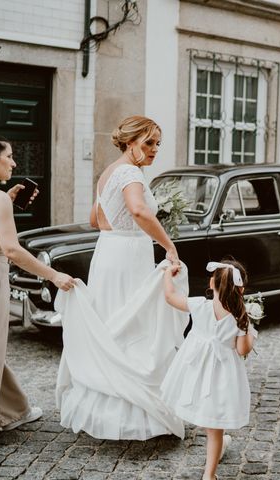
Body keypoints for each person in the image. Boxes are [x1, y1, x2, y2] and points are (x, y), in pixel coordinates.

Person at [55, 116, 187, 440]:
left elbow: (93, 219)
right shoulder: (130, 173)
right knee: (134, 325)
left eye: (158, 143)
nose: (155, 150)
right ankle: (135, 416)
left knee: (113, 321)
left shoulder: (109, 173)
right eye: (148, 143)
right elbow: (140, 211)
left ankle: (101, 410)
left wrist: (122, 227)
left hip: (108, 253)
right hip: (128, 256)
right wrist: (168, 245)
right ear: (131, 143)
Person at [0, 134, 75, 450]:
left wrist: (6, 199)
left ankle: (15, 410)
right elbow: (12, 250)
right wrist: (54, 274)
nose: (14, 163)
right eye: (9, 156)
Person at [161, 259, 257, 480]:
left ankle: (218, 449)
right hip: (221, 375)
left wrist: (168, 274)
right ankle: (208, 476)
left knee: (207, 413)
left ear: (211, 283)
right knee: (215, 424)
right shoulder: (240, 317)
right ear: (241, 289)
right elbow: (242, 350)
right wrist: (250, 332)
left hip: (196, 369)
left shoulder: (199, 305)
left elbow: (169, 297)